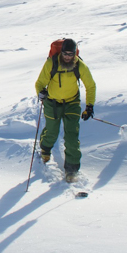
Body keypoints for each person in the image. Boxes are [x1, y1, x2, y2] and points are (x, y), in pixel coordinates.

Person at [35, 38, 97, 182]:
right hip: (52, 103)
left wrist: (89, 106)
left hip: (72, 103)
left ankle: (72, 170)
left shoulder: (79, 65)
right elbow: (40, 83)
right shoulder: (51, 63)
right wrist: (41, 92)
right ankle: (45, 149)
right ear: (61, 52)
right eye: (65, 54)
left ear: (75, 54)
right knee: (52, 131)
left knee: (72, 136)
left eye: (71, 54)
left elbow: (90, 85)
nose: (67, 57)